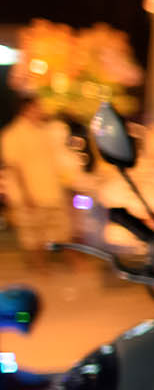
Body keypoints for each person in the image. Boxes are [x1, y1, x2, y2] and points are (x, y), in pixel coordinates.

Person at [2, 97, 74, 272]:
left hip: (51, 190)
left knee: (61, 229)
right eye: (37, 108)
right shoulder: (12, 134)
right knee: (33, 234)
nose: (41, 111)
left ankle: (71, 262)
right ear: (26, 110)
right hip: (29, 193)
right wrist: (26, 195)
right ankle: (39, 265)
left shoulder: (44, 131)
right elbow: (14, 168)